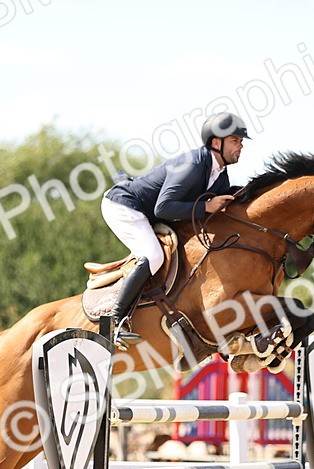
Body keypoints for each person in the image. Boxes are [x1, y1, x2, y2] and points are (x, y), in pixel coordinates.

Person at [100, 111, 250, 339]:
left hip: (148, 212)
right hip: (124, 206)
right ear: (216, 142)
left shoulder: (220, 175)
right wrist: (206, 207)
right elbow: (163, 208)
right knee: (153, 256)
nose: (240, 147)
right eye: (235, 141)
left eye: (240, 142)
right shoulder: (192, 164)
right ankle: (113, 322)